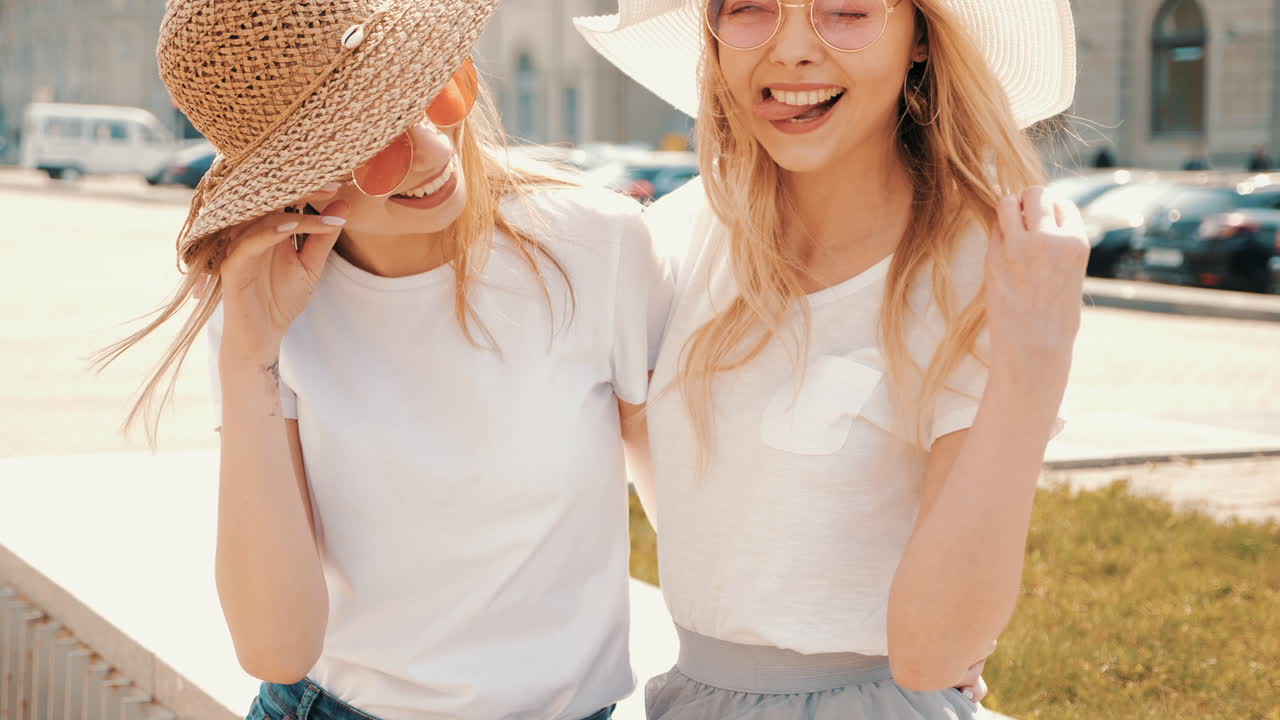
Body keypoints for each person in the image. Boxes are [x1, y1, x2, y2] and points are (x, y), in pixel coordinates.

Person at [96, 1, 672, 718]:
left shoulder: (594, 245)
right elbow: (277, 648)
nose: (431, 152)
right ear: (294, 182)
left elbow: (687, 528)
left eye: (432, 92)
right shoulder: (261, 299)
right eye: (372, 142)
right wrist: (249, 361)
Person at [577, 0, 1087, 717]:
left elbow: (935, 653)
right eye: (750, 7)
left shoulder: (986, 268)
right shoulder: (666, 242)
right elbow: (699, 510)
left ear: (919, 39)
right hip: (691, 698)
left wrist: (1036, 358)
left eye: (846, 11)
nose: (792, 51)